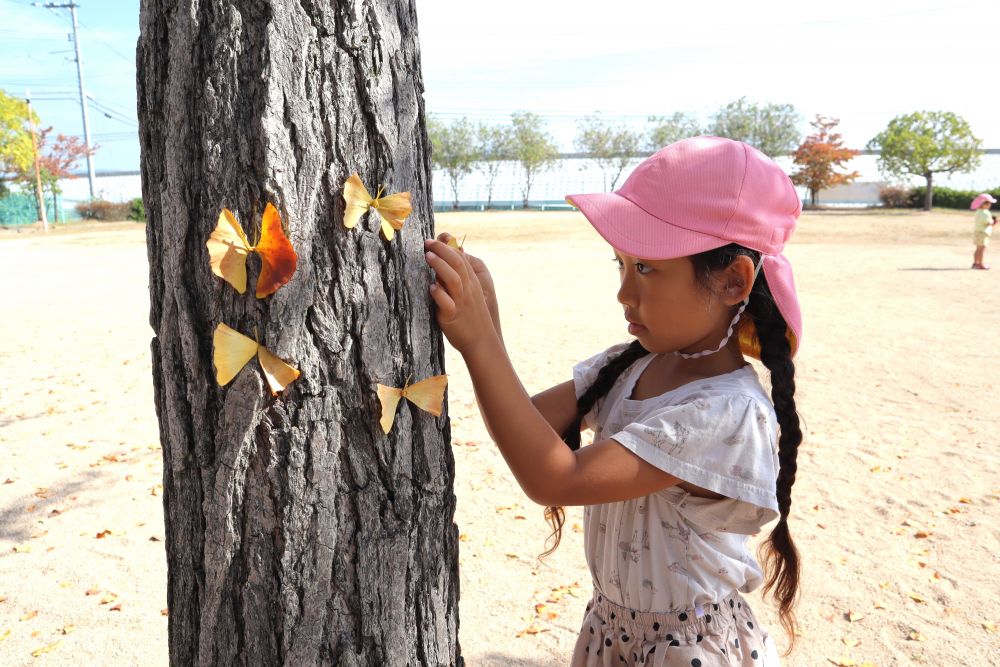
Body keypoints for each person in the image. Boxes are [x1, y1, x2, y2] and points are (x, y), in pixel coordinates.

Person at [424, 136, 803, 666]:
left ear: (734, 280)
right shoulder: (631, 364)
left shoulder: (726, 415)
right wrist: (490, 328)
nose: (625, 292)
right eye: (620, 264)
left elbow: (556, 478)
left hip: (689, 650)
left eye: (646, 268)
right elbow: (526, 425)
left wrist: (480, 344)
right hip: (610, 630)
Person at [970, 193, 997, 269]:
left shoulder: (978, 211)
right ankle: (981, 264)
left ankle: (975, 263)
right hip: (983, 233)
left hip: (978, 232)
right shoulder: (985, 212)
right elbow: (988, 223)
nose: (989, 205)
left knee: (978, 249)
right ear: (982, 203)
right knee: (982, 249)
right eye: (987, 203)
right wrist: (994, 221)